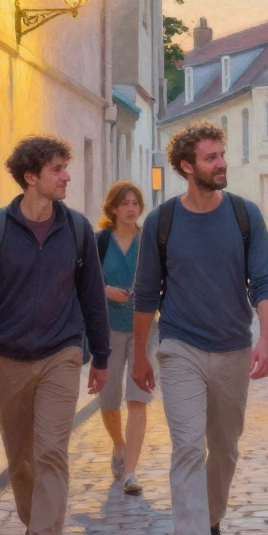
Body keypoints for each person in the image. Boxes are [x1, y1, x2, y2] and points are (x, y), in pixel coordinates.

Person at [0, 136, 110, 535]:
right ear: (31, 177)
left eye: (66, 167)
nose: (66, 176)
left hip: (62, 352)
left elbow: (92, 297)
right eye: (58, 169)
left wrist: (100, 354)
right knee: (20, 457)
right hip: (6, 356)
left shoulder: (77, 229)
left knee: (51, 450)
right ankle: (33, 526)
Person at [131, 122, 268, 535]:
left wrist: (267, 339)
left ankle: (211, 520)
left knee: (226, 447)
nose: (221, 164)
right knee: (189, 445)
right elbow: (145, 294)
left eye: (221, 155)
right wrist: (141, 355)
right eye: (211, 158)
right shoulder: (162, 222)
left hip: (234, 345)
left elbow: (266, 281)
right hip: (179, 347)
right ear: (186, 167)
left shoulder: (244, 215)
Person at [94, 181, 155, 495]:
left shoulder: (149, 242)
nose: (132, 208)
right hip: (109, 329)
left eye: (136, 203)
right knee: (108, 398)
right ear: (114, 208)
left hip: (145, 330)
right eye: (125, 203)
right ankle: (119, 444)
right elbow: (85, 280)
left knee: (137, 397)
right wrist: (107, 291)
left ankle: (130, 472)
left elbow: (162, 281)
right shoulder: (100, 241)